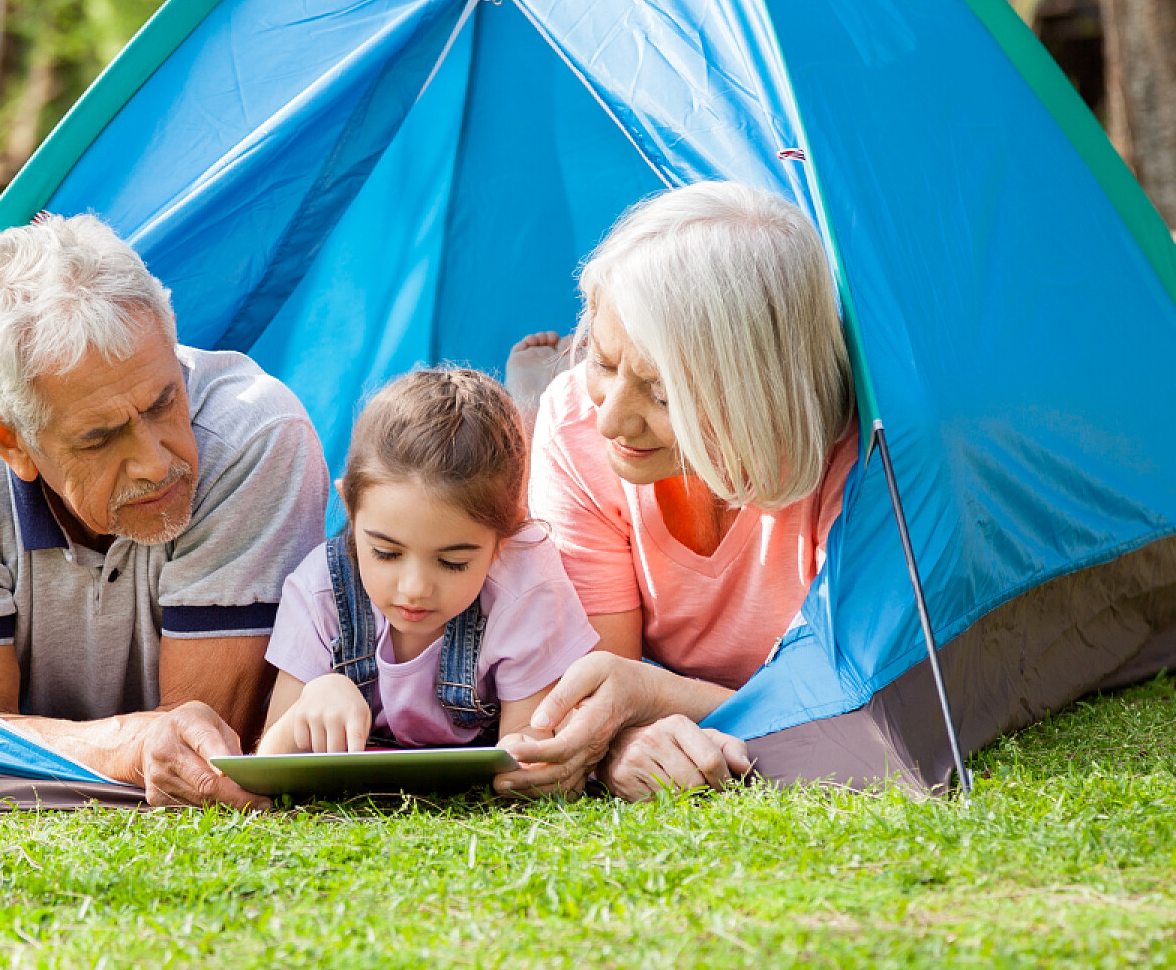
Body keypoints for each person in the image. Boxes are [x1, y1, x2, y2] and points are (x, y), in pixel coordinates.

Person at [0, 212, 329, 807]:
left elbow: (204, 749)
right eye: (99, 438)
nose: (156, 464)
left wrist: (113, 746)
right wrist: (127, 746)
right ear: (11, 443)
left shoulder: (254, 434)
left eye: (164, 402)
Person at [496, 182, 859, 800]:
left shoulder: (854, 460)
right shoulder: (577, 425)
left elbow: (858, 701)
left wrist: (655, 694)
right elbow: (598, 683)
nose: (611, 420)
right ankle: (524, 394)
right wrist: (621, 737)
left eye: (665, 395)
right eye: (603, 363)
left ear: (763, 391)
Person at [259, 369, 598, 755]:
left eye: (453, 562)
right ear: (350, 510)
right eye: (386, 553)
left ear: (504, 540)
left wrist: (531, 755)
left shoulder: (524, 584)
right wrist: (309, 706)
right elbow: (267, 762)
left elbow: (532, 748)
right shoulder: (320, 592)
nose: (415, 588)